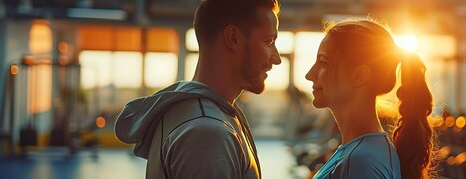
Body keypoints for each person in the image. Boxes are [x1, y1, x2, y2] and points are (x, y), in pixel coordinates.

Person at [113, 0, 280, 178]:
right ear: (233, 38)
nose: (277, 58)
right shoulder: (208, 133)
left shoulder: (193, 113)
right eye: (269, 41)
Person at [305, 20, 435, 179]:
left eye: (323, 62)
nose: (309, 74)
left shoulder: (362, 162)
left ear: (359, 76)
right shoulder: (357, 152)